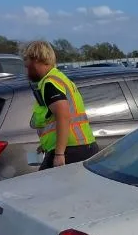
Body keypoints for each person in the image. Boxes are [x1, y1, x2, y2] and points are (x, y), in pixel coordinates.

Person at [22, 41, 99, 170]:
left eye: (27, 64)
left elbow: (63, 116)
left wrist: (59, 153)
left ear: (36, 60)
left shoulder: (50, 83)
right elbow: (53, 119)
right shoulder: (58, 78)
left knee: (47, 187)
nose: (26, 69)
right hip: (80, 147)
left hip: (72, 150)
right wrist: (48, 145)